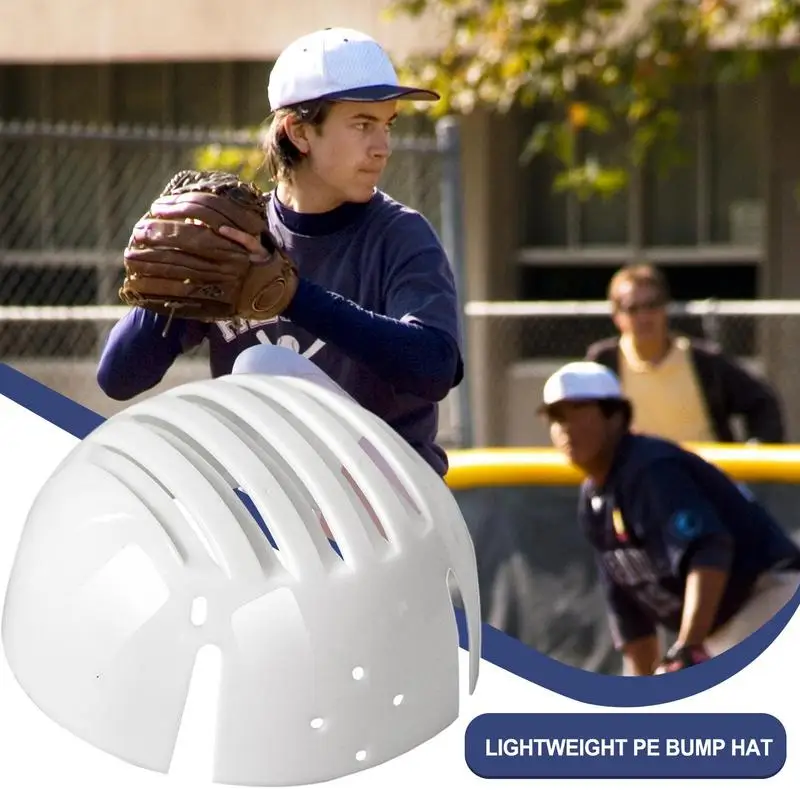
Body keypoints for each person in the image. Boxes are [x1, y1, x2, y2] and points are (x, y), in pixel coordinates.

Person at [96, 27, 463, 478]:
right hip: (284, 516)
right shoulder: (234, 240)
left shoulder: (400, 235)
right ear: (299, 132)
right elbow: (118, 379)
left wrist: (293, 297)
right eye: (362, 124)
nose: (382, 147)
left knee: (260, 364)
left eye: (386, 124)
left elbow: (434, 367)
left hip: (394, 505)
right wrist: (168, 296)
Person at [538, 361, 800, 677]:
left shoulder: (650, 469)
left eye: (578, 410)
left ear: (615, 416)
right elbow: (632, 622)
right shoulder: (595, 500)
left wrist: (688, 647)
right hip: (727, 626)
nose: (566, 425)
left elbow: (709, 551)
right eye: (556, 416)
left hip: (769, 596)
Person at [585, 263, 785, 444]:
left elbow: (762, 402)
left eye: (652, 305)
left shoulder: (704, 360)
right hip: (634, 481)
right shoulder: (603, 362)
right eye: (633, 308)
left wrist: (756, 449)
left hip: (701, 479)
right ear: (616, 316)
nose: (644, 317)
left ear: (666, 308)